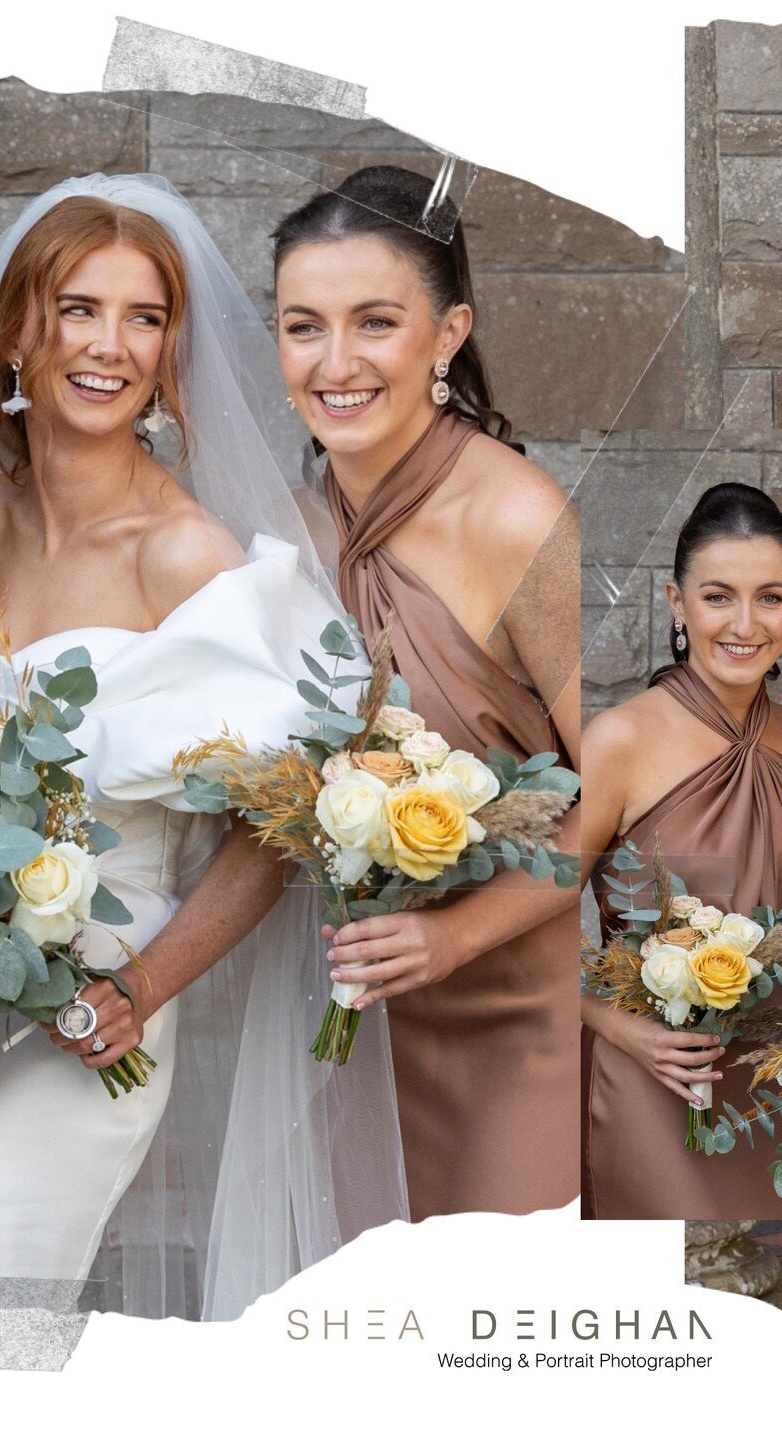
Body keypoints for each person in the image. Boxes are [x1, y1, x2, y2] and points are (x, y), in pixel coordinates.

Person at [0, 174, 407, 1322]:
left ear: (171, 353)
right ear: (21, 329)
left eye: (145, 317)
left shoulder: (193, 558)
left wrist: (139, 985)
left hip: (93, 1009)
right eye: (79, 308)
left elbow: (280, 831)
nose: (109, 344)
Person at [274, 165, 582, 1218]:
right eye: (303, 327)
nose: (336, 363)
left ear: (449, 334)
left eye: (375, 322)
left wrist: (450, 937)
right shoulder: (289, 529)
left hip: (507, 1013)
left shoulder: (516, 519)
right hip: (343, 1019)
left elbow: (631, 800)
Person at [582, 482, 782, 1219]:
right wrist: (615, 1025)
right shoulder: (620, 743)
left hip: (770, 1105)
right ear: (676, 603)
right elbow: (518, 924)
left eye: (771, 597)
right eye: (719, 596)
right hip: (654, 1098)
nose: (745, 623)